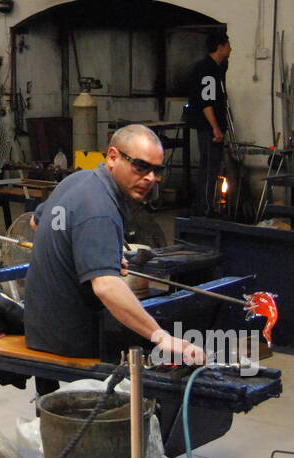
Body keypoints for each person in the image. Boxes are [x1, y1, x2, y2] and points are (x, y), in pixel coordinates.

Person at [23, 124, 206, 364]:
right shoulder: (100, 209)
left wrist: (91, 252)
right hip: (71, 339)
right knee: (169, 344)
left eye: (156, 170)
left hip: (39, 325)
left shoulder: (79, 179)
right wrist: (160, 337)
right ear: (113, 157)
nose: (150, 177)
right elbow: (106, 287)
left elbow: (37, 221)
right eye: (140, 166)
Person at [183, 29, 231, 217]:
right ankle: (204, 208)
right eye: (228, 44)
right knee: (209, 167)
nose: (231, 49)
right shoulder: (208, 69)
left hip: (208, 126)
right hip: (208, 127)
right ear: (220, 46)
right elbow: (206, 101)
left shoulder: (213, 69)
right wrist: (215, 128)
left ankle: (204, 205)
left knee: (209, 167)